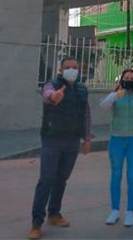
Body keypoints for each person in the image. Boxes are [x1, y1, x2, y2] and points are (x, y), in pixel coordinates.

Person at [28, 57, 92, 240]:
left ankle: (54, 213)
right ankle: (36, 223)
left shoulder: (82, 89)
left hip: (72, 141)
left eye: (75, 68)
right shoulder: (52, 84)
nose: (71, 70)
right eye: (67, 68)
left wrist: (87, 138)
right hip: (52, 140)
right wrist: (53, 96)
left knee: (61, 179)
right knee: (46, 180)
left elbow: (86, 114)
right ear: (61, 70)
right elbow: (47, 94)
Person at [100, 69, 133, 227]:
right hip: (117, 139)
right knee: (116, 175)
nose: (129, 79)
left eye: (132, 78)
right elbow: (103, 106)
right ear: (121, 79)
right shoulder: (115, 95)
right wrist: (115, 95)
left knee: (132, 176)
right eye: (126, 77)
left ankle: (130, 212)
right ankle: (114, 210)